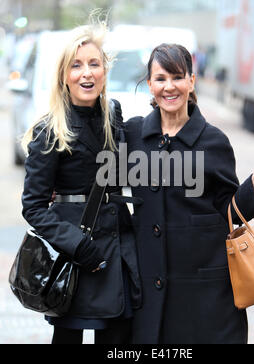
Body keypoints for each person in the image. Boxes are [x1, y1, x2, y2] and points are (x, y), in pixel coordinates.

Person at [124, 43, 254, 344]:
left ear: (191, 82)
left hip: (205, 294)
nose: (169, 87)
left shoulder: (213, 141)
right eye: (160, 79)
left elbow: (230, 211)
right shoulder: (133, 136)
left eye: (178, 77)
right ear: (149, 85)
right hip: (149, 290)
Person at [21, 19, 141, 344]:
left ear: (104, 71)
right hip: (77, 256)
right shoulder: (49, 130)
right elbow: (33, 207)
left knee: (120, 338)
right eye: (76, 65)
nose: (86, 73)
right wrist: (77, 245)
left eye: (93, 63)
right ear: (64, 75)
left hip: (118, 250)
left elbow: (131, 173)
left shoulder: (114, 116)